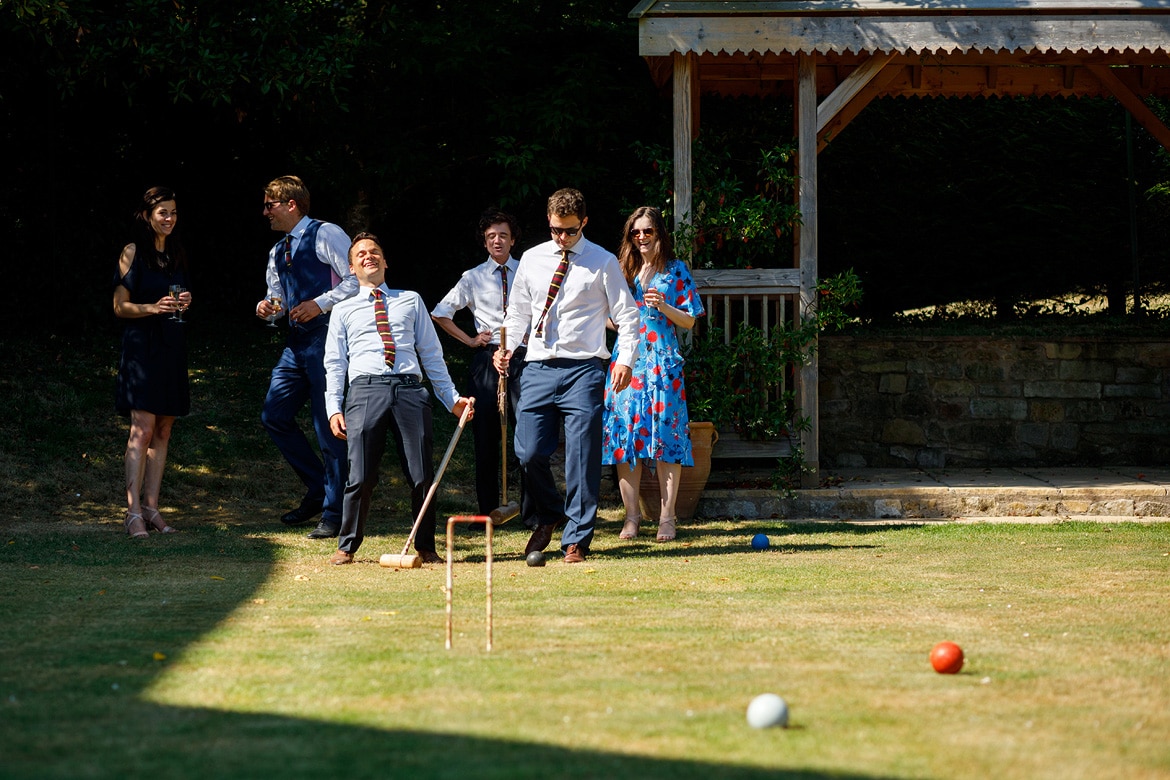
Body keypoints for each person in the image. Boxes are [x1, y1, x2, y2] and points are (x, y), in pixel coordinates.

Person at [494, 188, 640, 564]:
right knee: (527, 453)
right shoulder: (531, 258)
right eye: (557, 230)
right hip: (538, 367)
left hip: (584, 369)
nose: (563, 238)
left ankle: (576, 538)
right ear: (549, 222)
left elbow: (628, 318)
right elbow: (519, 312)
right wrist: (507, 345)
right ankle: (549, 513)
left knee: (581, 457)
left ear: (584, 223)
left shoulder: (603, 262)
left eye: (571, 231)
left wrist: (624, 360)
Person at [324, 233, 474, 565]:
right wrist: (333, 406)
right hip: (365, 391)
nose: (368, 256)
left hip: (409, 390)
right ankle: (346, 545)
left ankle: (425, 546)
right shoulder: (343, 310)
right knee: (360, 474)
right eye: (360, 254)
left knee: (421, 474)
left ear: (385, 261)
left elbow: (432, 354)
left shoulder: (411, 300)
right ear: (351, 267)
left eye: (375, 251)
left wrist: (451, 398)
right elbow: (335, 362)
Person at [255, 175, 357, 540]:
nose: (265, 212)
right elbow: (278, 301)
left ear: (291, 204)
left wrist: (320, 303)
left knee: (326, 426)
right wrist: (268, 308)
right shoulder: (277, 250)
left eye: (271, 205)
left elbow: (356, 279)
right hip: (296, 343)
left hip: (328, 338)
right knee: (274, 415)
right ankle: (318, 488)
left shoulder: (326, 233)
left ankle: (335, 512)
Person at [602, 206, 705, 542]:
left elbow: (690, 319)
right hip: (627, 363)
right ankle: (631, 519)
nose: (641, 237)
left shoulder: (675, 271)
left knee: (667, 439)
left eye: (648, 231)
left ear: (660, 233)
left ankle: (666, 519)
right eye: (636, 232)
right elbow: (603, 316)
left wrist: (663, 306)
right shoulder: (621, 271)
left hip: (663, 365)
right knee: (625, 439)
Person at [431, 208, 532, 527]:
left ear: (513, 239)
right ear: (485, 243)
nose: (497, 241)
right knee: (486, 434)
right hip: (486, 359)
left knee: (528, 432)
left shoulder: (528, 272)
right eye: (491, 237)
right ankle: (488, 511)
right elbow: (440, 312)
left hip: (524, 356)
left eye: (503, 235)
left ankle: (532, 510)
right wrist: (470, 340)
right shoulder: (472, 277)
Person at [113, 186, 193, 539]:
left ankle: (152, 508)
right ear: (147, 216)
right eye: (163, 212)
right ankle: (131, 514)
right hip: (141, 347)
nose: (169, 218)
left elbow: (179, 295)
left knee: (164, 429)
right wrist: (152, 308)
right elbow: (119, 306)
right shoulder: (132, 252)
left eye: (173, 212)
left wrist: (184, 300)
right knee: (142, 428)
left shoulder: (176, 254)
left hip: (172, 345)